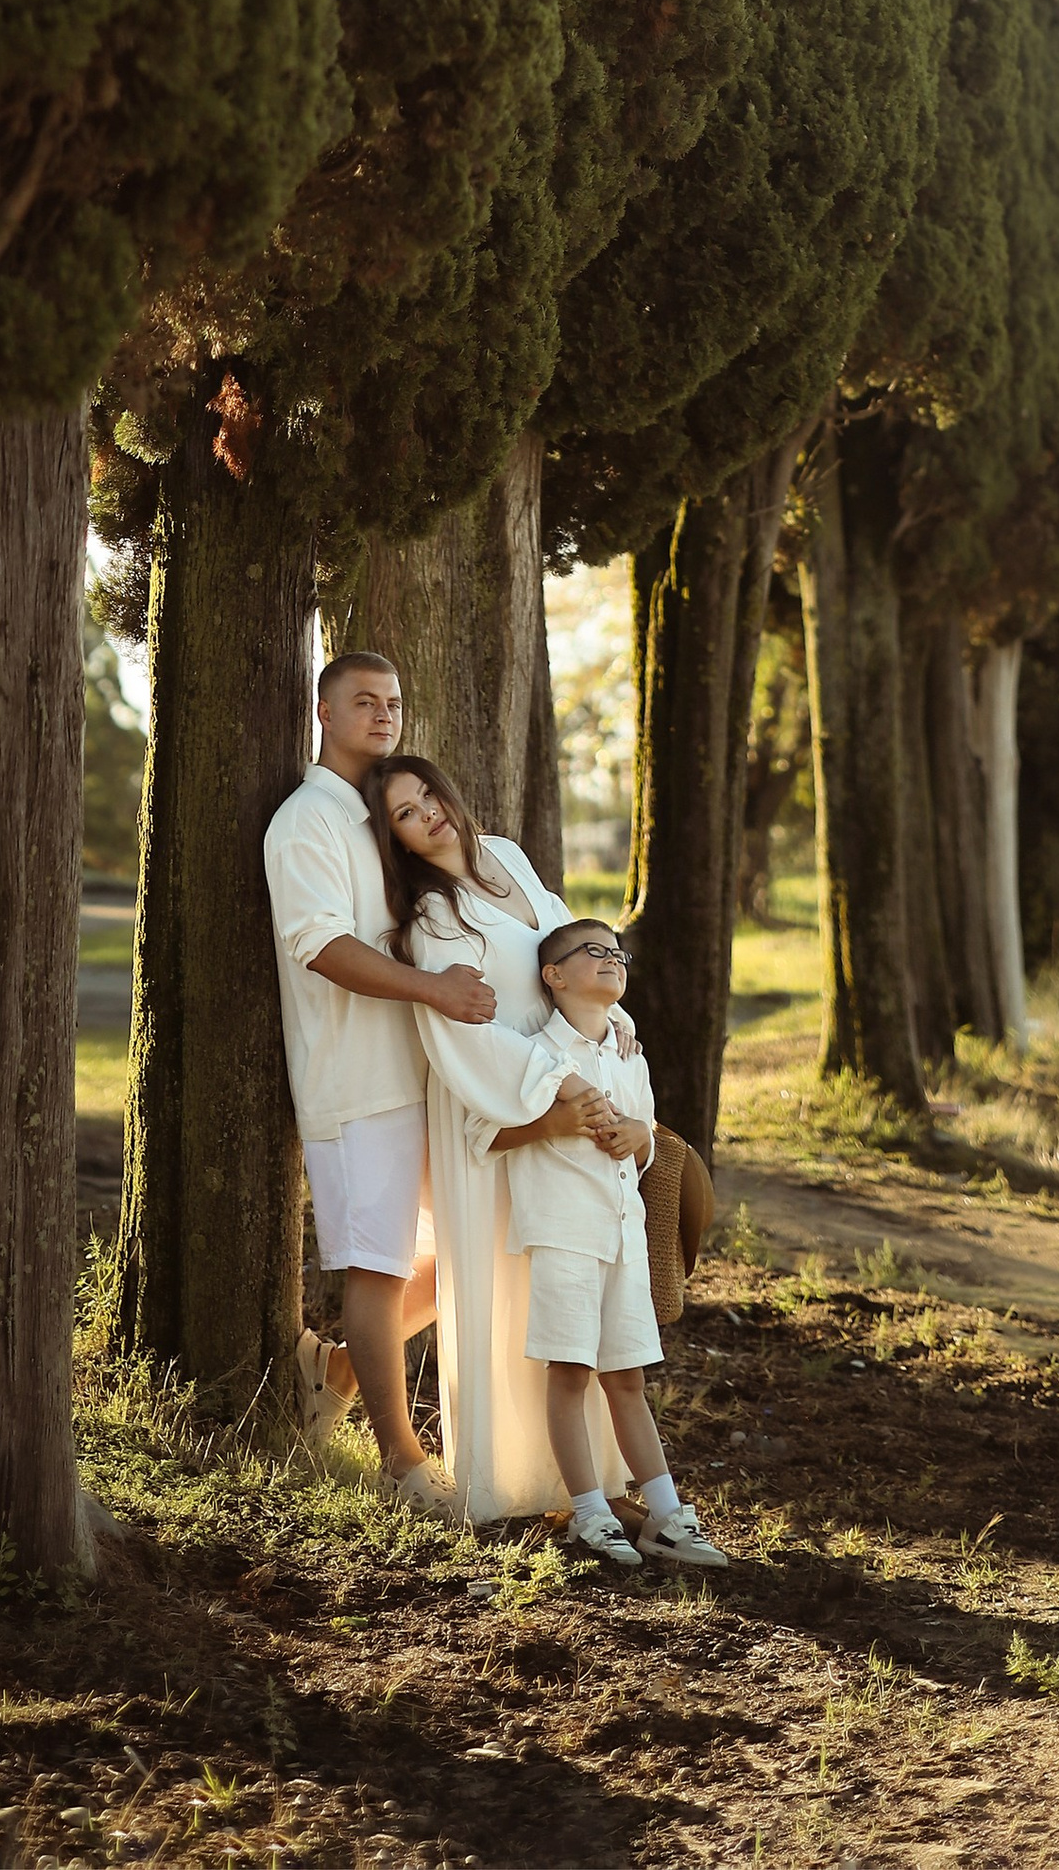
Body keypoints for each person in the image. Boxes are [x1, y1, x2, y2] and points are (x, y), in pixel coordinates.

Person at [367, 753, 633, 1525]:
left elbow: (572, 947)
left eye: (429, 796)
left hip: (566, 1096)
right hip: (501, 1112)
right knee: (508, 1289)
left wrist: (611, 1022)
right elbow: (469, 1035)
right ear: (400, 842)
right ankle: (513, 1483)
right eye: (406, 814)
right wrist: (559, 1086)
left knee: (567, 1281)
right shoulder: (429, 920)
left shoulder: (508, 857)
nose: (428, 814)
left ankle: (592, 1482)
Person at [262, 652, 491, 1516]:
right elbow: (318, 943)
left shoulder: (380, 814)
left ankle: (342, 1367)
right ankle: (401, 1460)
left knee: (474, 1241)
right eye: (363, 699)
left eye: (394, 699)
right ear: (323, 711)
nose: (384, 712)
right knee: (379, 1266)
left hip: (427, 1071)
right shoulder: (305, 821)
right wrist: (436, 989)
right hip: (354, 1078)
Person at [506, 917, 727, 1571]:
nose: (610, 958)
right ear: (554, 974)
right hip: (564, 1228)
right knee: (571, 1372)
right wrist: (558, 1121)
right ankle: (591, 1512)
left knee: (625, 1376)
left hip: (622, 1232)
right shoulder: (536, 1053)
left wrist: (640, 1134)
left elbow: (649, 1137)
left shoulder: (631, 1055)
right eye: (592, 951)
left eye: (616, 951)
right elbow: (490, 1133)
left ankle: (665, 1515)